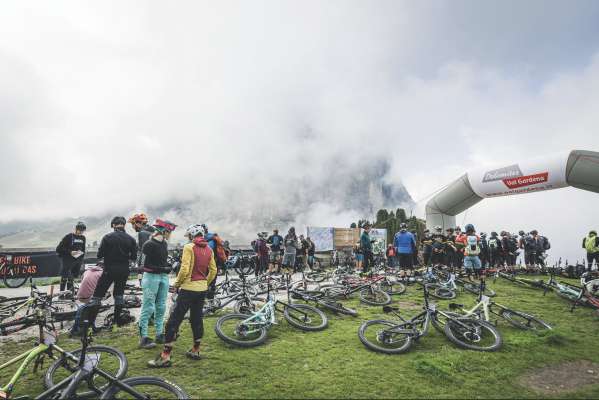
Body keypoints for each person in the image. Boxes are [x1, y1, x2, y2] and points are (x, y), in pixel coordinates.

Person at [148, 224, 217, 367]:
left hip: (188, 288)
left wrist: (177, 284)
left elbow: (185, 269)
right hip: (201, 289)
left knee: (174, 320)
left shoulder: (189, 247)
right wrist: (205, 282)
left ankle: (165, 356)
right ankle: (196, 350)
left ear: (192, 235)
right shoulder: (209, 249)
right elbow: (213, 270)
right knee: (196, 319)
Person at [86, 217, 138, 329]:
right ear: (124, 225)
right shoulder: (131, 239)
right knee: (119, 296)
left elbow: (99, 255)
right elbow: (134, 257)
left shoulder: (107, 237)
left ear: (113, 225)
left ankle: (91, 325)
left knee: (97, 296)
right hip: (124, 270)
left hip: (109, 270)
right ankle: (116, 322)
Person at [138, 219, 177, 349]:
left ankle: (159, 334)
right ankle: (143, 337)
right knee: (148, 307)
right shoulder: (148, 244)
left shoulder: (164, 244)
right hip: (151, 277)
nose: (170, 234)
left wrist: (168, 266)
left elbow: (161, 261)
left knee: (161, 306)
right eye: (169, 231)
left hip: (163, 277)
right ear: (163, 231)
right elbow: (144, 265)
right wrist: (162, 268)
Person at [70, 262, 104, 336]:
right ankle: (91, 326)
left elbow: (83, 282)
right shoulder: (102, 273)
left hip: (80, 296)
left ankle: (87, 325)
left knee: (88, 307)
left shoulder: (87, 271)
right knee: (97, 304)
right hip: (89, 297)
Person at [56, 222, 87, 294]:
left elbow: (83, 249)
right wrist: (70, 252)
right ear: (76, 229)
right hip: (67, 260)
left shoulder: (83, 238)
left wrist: (80, 258)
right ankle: (61, 294)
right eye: (80, 230)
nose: (81, 232)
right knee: (65, 277)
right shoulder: (69, 236)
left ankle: (69, 294)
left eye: (83, 231)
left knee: (71, 278)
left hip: (77, 261)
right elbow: (59, 249)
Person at [128, 213, 155, 285]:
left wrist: (141, 267)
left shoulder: (142, 233)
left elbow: (144, 251)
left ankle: (141, 282)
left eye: (132, 225)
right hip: (155, 265)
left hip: (146, 266)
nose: (133, 227)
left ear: (138, 223)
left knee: (144, 286)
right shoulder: (153, 231)